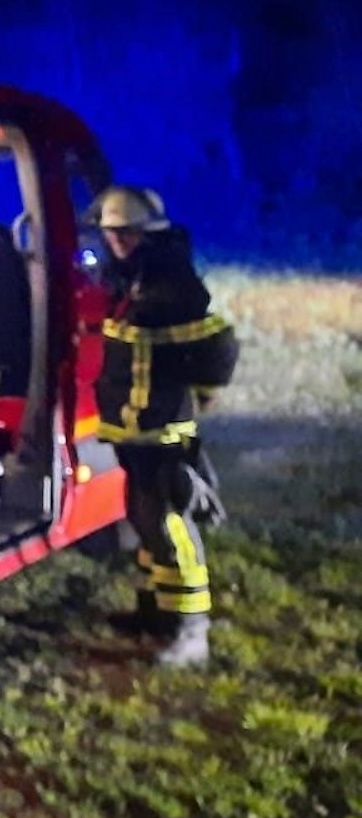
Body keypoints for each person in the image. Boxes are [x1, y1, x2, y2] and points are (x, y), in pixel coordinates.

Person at [88, 184, 238, 668]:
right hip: (132, 429)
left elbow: (218, 349)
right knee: (146, 521)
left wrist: (204, 390)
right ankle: (156, 611)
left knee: (171, 524)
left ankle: (193, 632)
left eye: (126, 234)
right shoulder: (129, 280)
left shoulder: (172, 284)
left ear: (147, 233)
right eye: (112, 233)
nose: (117, 241)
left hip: (163, 428)